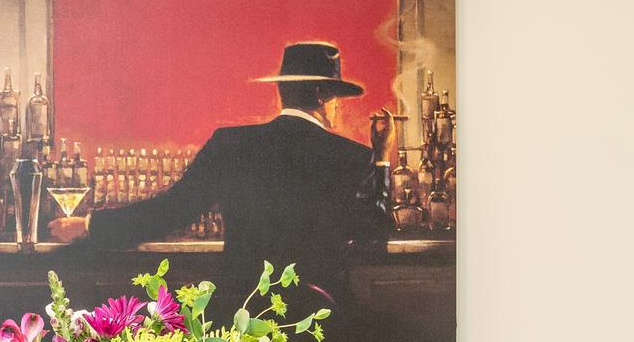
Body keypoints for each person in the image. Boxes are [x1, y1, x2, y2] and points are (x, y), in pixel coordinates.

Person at [47, 41, 388, 272]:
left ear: (282, 90)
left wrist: (88, 225)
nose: (339, 105)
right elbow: (373, 238)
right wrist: (382, 159)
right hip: (321, 323)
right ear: (321, 94)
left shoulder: (231, 144)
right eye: (337, 95)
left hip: (242, 317)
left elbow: (171, 210)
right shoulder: (353, 157)